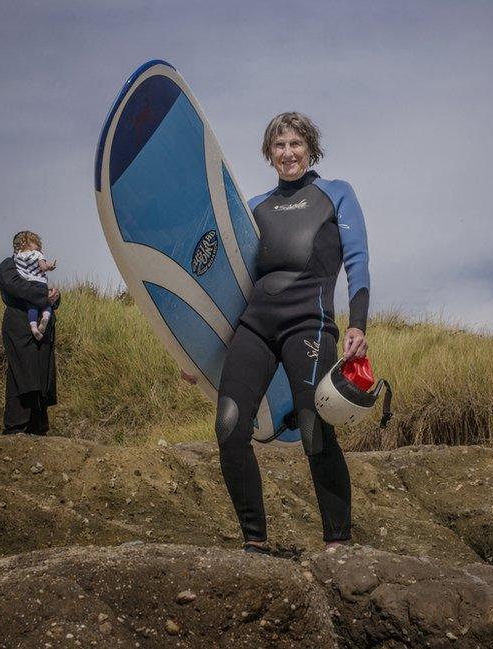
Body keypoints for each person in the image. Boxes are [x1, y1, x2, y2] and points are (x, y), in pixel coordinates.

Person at [185, 112, 369, 554]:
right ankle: (255, 540)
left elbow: (358, 261)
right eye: (279, 145)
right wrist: (192, 351)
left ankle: (338, 542)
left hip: (309, 321)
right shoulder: (255, 208)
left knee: (313, 429)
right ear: (270, 153)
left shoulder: (336, 194)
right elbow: (228, 284)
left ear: (310, 148)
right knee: (229, 426)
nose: (288, 153)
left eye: (295, 144)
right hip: (256, 323)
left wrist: (359, 324)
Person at [0, 231, 61, 435]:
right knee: (22, 372)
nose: (38, 248)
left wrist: (54, 296)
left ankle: (38, 426)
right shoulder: (9, 265)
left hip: (43, 327)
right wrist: (44, 296)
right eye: (34, 244)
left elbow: (51, 296)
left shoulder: (39, 272)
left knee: (40, 375)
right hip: (19, 324)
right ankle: (16, 426)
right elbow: (16, 287)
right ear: (23, 244)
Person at [12, 231, 58, 341]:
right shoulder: (37, 254)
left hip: (29, 284)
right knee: (46, 302)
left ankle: (34, 328)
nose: (38, 246)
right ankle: (45, 318)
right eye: (36, 243)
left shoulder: (17, 257)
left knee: (32, 307)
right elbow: (43, 267)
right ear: (28, 243)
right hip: (40, 282)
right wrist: (50, 266)